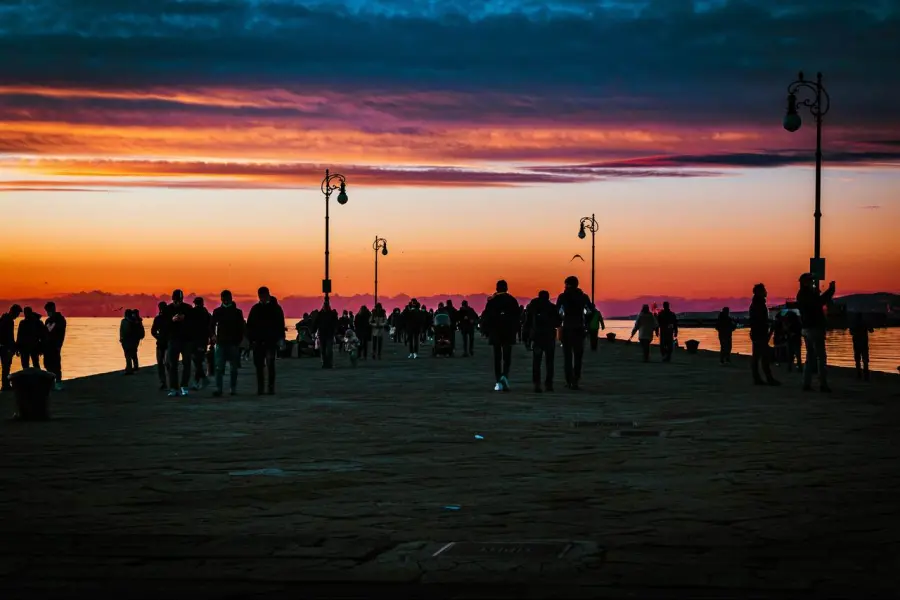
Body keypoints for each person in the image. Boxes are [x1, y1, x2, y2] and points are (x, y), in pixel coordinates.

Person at [797, 274, 836, 392]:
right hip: (814, 328)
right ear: (805, 282)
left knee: (810, 356)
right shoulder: (807, 295)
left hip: (807, 328)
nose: (813, 283)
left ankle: (807, 383)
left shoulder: (802, 294)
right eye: (811, 281)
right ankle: (822, 384)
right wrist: (830, 291)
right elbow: (819, 302)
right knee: (821, 356)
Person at [555, 275, 595, 390]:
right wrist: (586, 323)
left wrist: (559, 323)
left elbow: (557, 311)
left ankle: (569, 380)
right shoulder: (583, 297)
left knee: (567, 357)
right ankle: (575, 380)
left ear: (568, 285)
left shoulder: (562, 297)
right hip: (579, 328)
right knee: (578, 356)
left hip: (567, 328)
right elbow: (591, 311)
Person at [246, 286, 285, 395]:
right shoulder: (255, 309)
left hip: (271, 342)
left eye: (263, 296)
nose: (262, 298)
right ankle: (261, 388)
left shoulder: (276, 308)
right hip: (258, 342)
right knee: (259, 366)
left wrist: (281, 339)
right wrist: (251, 340)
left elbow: (280, 325)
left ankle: (270, 387)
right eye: (260, 296)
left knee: (270, 364)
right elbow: (249, 325)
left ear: (268, 295)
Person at [483, 280, 519, 391]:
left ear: (497, 288)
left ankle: (498, 380)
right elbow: (517, 317)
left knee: (497, 357)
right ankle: (505, 376)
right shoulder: (512, 300)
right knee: (507, 357)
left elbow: (486, 317)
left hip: (496, 332)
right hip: (508, 332)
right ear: (507, 288)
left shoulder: (492, 301)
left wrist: (486, 331)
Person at [209, 289, 245, 397]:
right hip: (220, 343)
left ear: (231, 298)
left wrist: (239, 340)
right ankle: (219, 388)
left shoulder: (237, 312)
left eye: (227, 299)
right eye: (224, 299)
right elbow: (211, 326)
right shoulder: (217, 312)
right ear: (221, 299)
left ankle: (232, 388)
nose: (225, 301)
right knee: (219, 367)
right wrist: (213, 336)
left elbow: (242, 327)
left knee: (233, 368)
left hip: (233, 343)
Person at [527, 290, 560, 392]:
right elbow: (558, 323)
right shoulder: (552, 308)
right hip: (549, 337)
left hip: (537, 337)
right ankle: (548, 384)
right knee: (549, 362)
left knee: (536, 361)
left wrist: (527, 337)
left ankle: (537, 384)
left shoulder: (533, 307)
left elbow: (528, 322)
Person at [749, 283, 780, 386]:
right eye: (764, 290)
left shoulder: (757, 304)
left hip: (757, 333)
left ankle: (758, 378)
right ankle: (767, 378)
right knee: (763, 357)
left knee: (758, 356)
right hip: (759, 333)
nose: (766, 292)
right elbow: (760, 320)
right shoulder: (758, 304)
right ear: (759, 292)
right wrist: (769, 324)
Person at [165, 289, 194, 397]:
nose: (177, 302)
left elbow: (194, 324)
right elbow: (164, 326)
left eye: (179, 300)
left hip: (186, 340)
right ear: (173, 299)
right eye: (176, 300)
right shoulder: (168, 309)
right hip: (173, 340)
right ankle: (174, 388)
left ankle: (184, 386)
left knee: (187, 364)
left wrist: (185, 319)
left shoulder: (188, 309)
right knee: (172, 365)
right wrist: (172, 320)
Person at [43, 301, 67, 390]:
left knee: (56, 365)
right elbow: (45, 333)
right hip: (47, 346)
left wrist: (58, 344)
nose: (47, 312)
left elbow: (59, 333)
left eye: (48, 310)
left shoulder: (60, 319)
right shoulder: (48, 320)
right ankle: (51, 382)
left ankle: (58, 382)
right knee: (47, 365)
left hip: (55, 345)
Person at [191, 297, 212, 390]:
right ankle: (198, 382)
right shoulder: (206, 313)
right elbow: (210, 327)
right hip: (203, 340)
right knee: (198, 361)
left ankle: (202, 380)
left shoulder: (194, 312)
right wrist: (211, 337)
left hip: (196, 340)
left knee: (197, 361)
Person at [0, 304, 22, 392]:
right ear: (14, 312)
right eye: (17, 313)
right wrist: (12, 348)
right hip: (6, 347)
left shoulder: (3, 319)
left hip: (3, 346)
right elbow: (9, 336)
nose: (18, 315)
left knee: (5, 366)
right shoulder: (9, 321)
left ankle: (5, 384)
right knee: (6, 366)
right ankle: (5, 385)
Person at [150, 301, 170, 390]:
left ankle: (165, 382)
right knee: (164, 364)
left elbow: (153, 332)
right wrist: (158, 337)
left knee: (164, 364)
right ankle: (165, 382)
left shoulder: (161, 318)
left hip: (165, 343)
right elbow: (153, 331)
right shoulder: (161, 318)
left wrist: (158, 337)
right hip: (163, 343)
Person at [849, 312, 873, 381]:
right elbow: (871, 330)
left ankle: (859, 375)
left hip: (856, 343)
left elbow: (851, 332)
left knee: (857, 359)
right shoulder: (864, 323)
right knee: (865, 359)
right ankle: (866, 375)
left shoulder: (854, 323)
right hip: (864, 343)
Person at [120, 309, 145, 374]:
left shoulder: (125, 321)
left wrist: (122, 339)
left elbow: (124, 331)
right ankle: (135, 366)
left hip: (127, 340)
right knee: (133, 353)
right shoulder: (136, 321)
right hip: (135, 340)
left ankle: (129, 369)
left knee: (128, 354)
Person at [315, 300, 339, 368]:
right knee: (323, 350)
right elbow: (316, 323)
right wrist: (313, 331)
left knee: (328, 350)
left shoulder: (332, 314)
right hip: (323, 334)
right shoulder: (320, 314)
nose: (325, 307)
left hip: (328, 334)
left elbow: (336, 323)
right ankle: (325, 363)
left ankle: (329, 363)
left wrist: (335, 330)